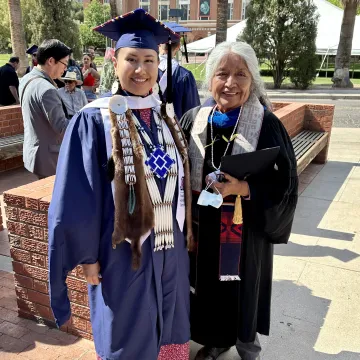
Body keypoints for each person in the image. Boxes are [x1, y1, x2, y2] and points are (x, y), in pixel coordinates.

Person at [48, 8, 194, 360]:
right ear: (114, 61)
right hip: (122, 251)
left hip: (168, 245)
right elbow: (78, 195)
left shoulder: (165, 117)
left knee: (170, 326)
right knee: (127, 332)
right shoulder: (94, 120)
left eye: (149, 59)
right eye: (132, 59)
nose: (141, 70)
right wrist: (87, 257)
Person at [180, 41, 299, 360]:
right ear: (210, 79)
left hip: (243, 231)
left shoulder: (266, 123)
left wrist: (244, 189)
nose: (230, 83)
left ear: (253, 81)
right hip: (202, 229)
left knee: (242, 288)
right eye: (222, 73)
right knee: (207, 289)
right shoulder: (194, 118)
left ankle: (247, 346)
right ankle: (216, 340)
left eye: (240, 75)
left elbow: (286, 182)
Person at [19, 39, 72, 179]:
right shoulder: (47, 89)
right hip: (48, 158)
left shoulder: (26, 79)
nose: (65, 68)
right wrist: (84, 120)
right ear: (51, 61)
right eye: (64, 63)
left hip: (34, 152)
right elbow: (62, 127)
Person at [158, 25, 200, 120]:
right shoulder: (185, 76)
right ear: (178, 47)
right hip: (176, 132)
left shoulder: (147, 73)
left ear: (159, 44)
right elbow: (193, 112)